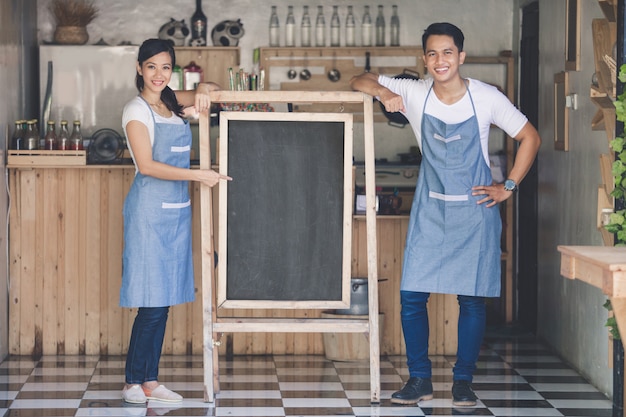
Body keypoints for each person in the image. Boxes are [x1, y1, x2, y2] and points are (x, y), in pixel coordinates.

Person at [350, 23, 541, 407]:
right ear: (425, 60)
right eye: (433, 54)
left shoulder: (486, 97)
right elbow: (359, 79)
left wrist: (510, 186)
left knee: (471, 301)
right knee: (411, 297)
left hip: (475, 212)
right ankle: (419, 378)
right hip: (430, 209)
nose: (441, 60)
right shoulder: (414, 91)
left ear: (461, 57)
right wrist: (384, 92)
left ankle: (463, 383)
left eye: (448, 52)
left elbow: (529, 137)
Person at [120, 38, 231, 404]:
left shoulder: (170, 102)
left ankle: (150, 380)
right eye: (151, 66)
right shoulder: (136, 110)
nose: (158, 74)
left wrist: (201, 90)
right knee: (151, 303)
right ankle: (133, 381)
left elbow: (213, 91)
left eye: (165, 67)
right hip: (149, 214)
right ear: (139, 69)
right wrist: (200, 176)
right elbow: (147, 165)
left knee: (163, 300)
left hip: (176, 214)